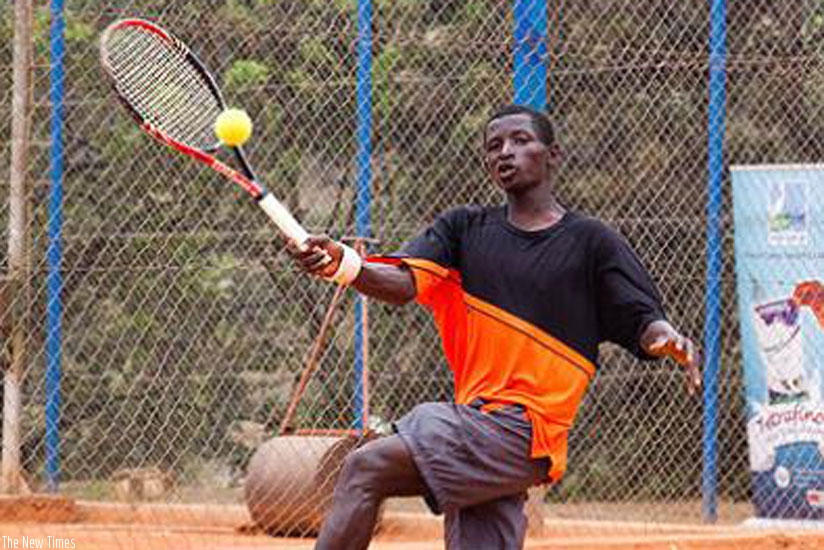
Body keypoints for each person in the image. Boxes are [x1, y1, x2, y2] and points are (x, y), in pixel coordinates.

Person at [288, 104, 702, 550]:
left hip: (527, 430)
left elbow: (641, 318)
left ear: (552, 154)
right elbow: (404, 283)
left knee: (364, 468)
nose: (506, 152)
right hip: (479, 425)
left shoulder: (591, 241)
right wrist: (343, 265)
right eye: (494, 146)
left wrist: (668, 341)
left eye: (521, 140)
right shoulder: (462, 230)